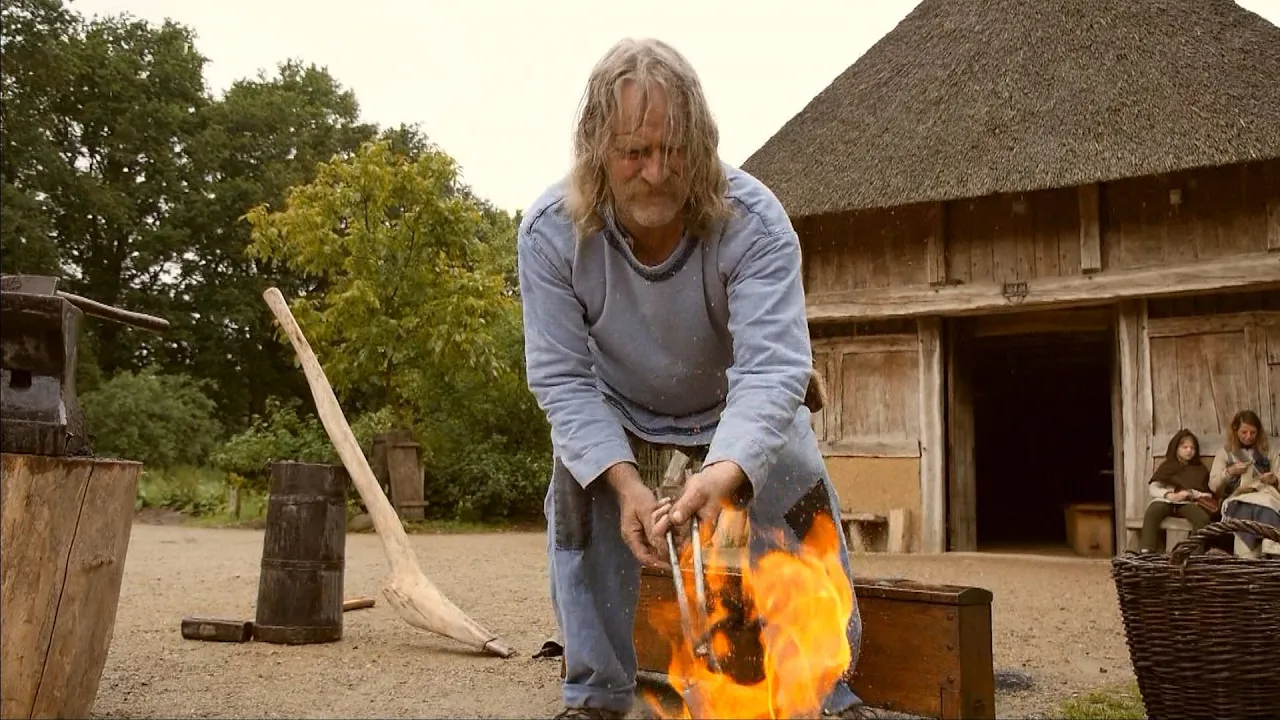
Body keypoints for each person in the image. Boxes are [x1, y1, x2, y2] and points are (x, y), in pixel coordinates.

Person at [517, 37, 866, 720]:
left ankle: (825, 691)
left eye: (673, 151)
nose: (654, 173)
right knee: (576, 495)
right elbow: (561, 378)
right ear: (597, 152)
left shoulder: (757, 223)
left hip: (733, 401)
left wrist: (724, 472)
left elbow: (772, 370)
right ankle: (597, 693)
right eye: (633, 153)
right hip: (620, 405)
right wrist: (623, 484)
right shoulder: (549, 235)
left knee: (797, 492)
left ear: (702, 146)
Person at [1210, 410, 1280, 557]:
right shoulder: (1225, 453)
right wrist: (1229, 473)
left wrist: (1274, 480)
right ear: (1235, 431)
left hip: (1264, 495)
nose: (1248, 437)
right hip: (1237, 497)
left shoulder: (1268, 452)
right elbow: (1214, 485)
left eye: (1253, 432)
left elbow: (1278, 475)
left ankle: (1270, 543)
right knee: (1244, 507)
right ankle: (1248, 556)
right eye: (1244, 432)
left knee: (1266, 503)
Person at [1139, 429, 1215, 552]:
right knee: (1152, 511)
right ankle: (1146, 552)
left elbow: (1208, 494)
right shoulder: (1168, 466)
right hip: (1166, 501)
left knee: (1202, 519)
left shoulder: (1199, 469)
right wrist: (1168, 495)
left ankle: (1192, 554)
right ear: (1176, 448)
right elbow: (1153, 487)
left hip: (1187, 503)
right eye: (1185, 447)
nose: (1189, 450)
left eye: (1192, 448)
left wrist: (1191, 493)